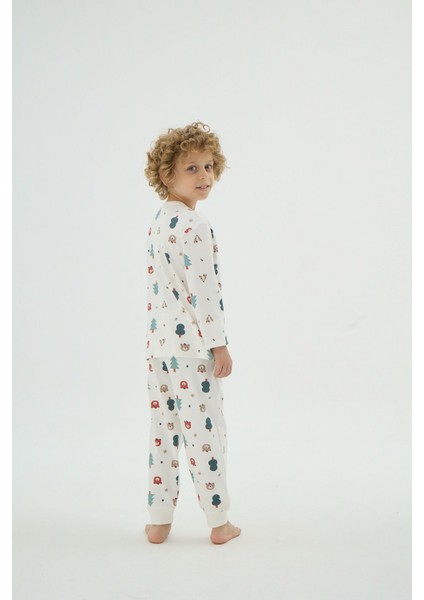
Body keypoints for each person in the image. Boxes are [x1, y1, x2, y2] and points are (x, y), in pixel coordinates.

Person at [143, 121, 241, 545]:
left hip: (158, 349)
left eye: (209, 166)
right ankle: (219, 523)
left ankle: (158, 521)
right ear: (166, 176)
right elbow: (205, 294)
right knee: (205, 436)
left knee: (163, 434)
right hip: (192, 352)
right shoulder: (194, 226)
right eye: (192, 168)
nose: (205, 176)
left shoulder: (159, 222)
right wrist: (219, 346)